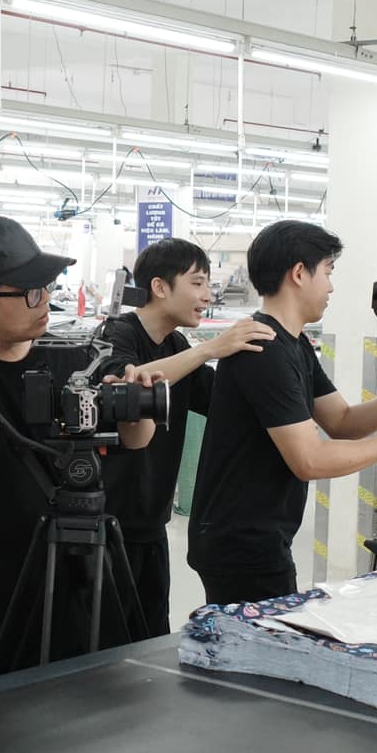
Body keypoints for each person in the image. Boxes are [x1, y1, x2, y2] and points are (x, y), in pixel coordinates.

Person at [0, 216, 158, 684]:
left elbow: (137, 439)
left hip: (74, 575)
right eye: (30, 292)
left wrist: (136, 405)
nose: (45, 300)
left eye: (47, 287)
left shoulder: (76, 359)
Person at [186, 222, 377, 607]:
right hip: (240, 544)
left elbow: (341, 421)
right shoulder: (264, 349)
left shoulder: (294, 344)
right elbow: (308, 460)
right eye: (328, 272)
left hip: (261, 536)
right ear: (299, 273)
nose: (331, 287)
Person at [94, 239, 276, 634]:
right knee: (106, 641)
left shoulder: (175, 344)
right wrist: (210, 349)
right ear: (160, 287)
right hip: (106, 526)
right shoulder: (116, 334)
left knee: (150, 635)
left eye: (208, 284)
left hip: (150, 522)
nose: (206, 295)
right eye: (197, 283)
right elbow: (130, 387)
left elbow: (221, 402)